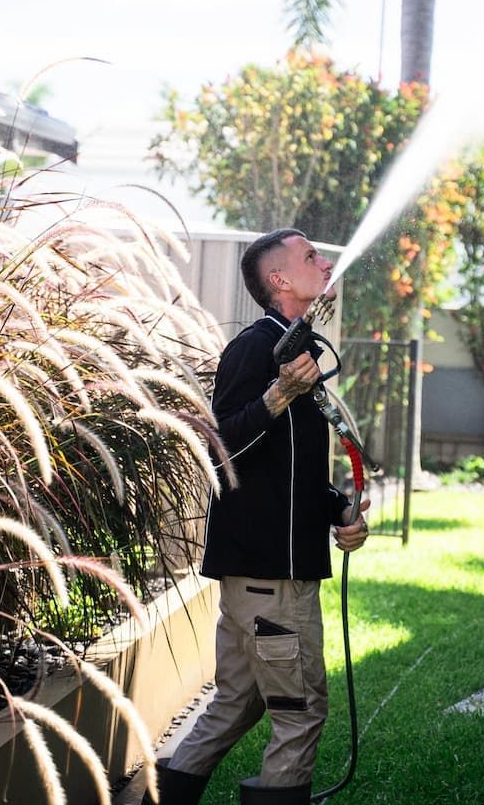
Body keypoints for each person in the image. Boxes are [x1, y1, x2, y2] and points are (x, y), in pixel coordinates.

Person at [143, 229, 370, 805]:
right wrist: (276, 397)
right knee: (300, 715)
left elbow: (285, 472)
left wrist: (337, 508)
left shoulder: (297, 349)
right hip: (271, 578)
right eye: (310, 256)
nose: (325, 261)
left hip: (262, 575)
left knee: (233, 706)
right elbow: (221, 452)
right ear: (279, 280)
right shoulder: (255, 348)